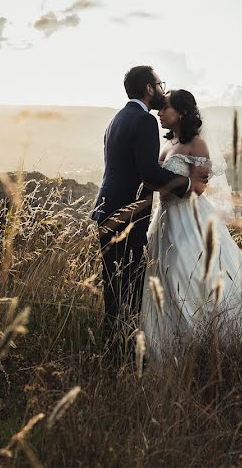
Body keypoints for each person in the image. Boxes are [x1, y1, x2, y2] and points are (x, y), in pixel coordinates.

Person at [141, 89, 242, 361]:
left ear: (182, 112)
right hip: (164, 219)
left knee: (184, 271)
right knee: (163, 277)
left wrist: (167, 185)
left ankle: (202, 344)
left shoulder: (197, 145)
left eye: (165, 108)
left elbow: (199, 187)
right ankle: (167, 349)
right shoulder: (166, 145)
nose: (159, 112)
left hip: (189, 218)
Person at [91, 66, 209, 359]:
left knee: (114, 287)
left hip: (107, 211)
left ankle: (114, 351)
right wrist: (186, 185)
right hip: (127, 215)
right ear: (148, 88)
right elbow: (148, 173)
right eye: (159, 84)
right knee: (129, 287)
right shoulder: (143, 120)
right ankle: (125, 357)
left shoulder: (117, 119)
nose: (161, 89)